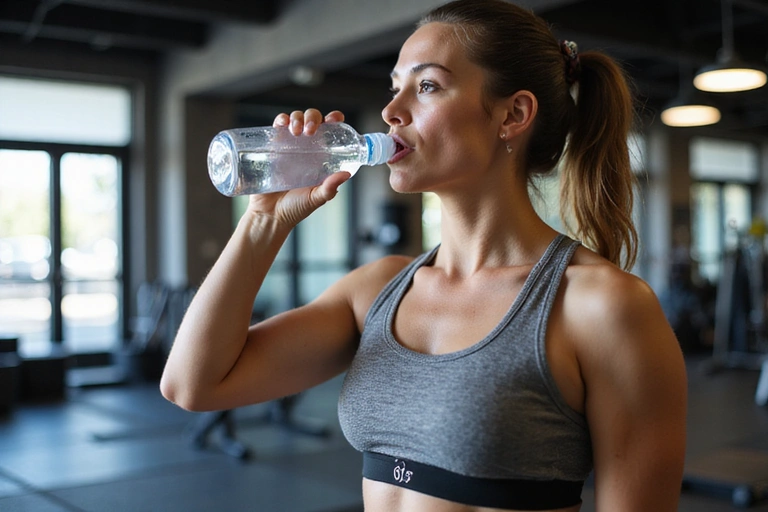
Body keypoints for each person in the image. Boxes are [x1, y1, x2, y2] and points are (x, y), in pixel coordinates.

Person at [160, 0, 687, 510]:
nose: (391, 112)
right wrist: (263, 221)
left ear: (514, 113)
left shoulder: (602, 306)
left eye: (427, 86)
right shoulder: (376, 291)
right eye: (395, 88)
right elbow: (193, 384)